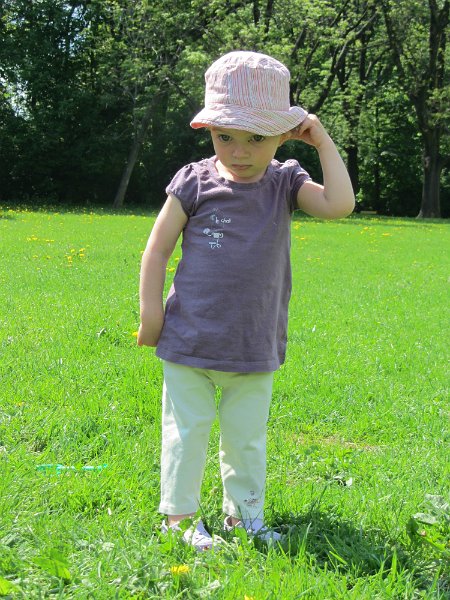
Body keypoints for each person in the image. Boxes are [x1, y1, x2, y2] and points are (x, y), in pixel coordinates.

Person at [138, 51, 355, 551]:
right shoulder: (194, 181)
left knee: (246, 437)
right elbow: (157, 250)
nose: (239, 151)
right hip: (189, 339)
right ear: (210, 131)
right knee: (185, 431)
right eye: (225, 136)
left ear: (283, 134)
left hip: (254, 343)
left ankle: (244, 518)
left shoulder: (286, 182)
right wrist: (151, 314)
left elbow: (339, 205)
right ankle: (179, 521)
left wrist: (322, 140)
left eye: (256, 137)